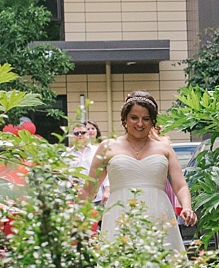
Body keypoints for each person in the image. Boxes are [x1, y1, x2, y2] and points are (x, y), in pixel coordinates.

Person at [78, 91, 196, 248]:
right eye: (134, 118)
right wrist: (76, 217)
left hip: (159, 216)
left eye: (146, 119)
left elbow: (180, 185)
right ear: (125, 119)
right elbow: (89, 189)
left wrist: (187, 207)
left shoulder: (164, 149)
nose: (140, 124)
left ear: (153, 122)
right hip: (119, 217)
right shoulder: (107, 147)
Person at [65, 120, 107, 204]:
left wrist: (107, 190)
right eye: (77, 133)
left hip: (96, 198)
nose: (80, 135)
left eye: (83, 132)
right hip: (74, 198)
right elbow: (63, 175)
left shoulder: (97, 151)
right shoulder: (66, 155)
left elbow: (105, 173)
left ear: (87, 134)